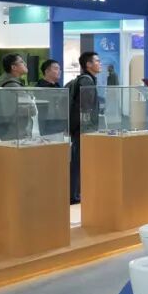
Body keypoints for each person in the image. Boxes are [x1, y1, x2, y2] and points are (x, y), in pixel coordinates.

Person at [67, 51, 101, 204]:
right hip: (83, 128)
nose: (100, 64)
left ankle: (76, 193)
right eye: (97, 61)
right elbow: (86, 107)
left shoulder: (85, 80)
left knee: (79, 160)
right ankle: (73, 194)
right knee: (78, 161)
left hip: (79, 127)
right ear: (88, 64)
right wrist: (88, 127)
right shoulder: (86, 81)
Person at [0, 53, 33, 141]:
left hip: (11, 131)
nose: (25, 64)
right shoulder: (12, 85)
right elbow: (31, 109)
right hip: (16, 132)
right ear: (13, 67)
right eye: (21, 62)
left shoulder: (4, 81)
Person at [36, 60, 64, 136]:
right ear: (47, 71)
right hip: (46, 125)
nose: (59, 71)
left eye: (60, 69)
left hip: (60, 123)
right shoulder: (39, 88)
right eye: (56, 69)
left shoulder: (58, 86)